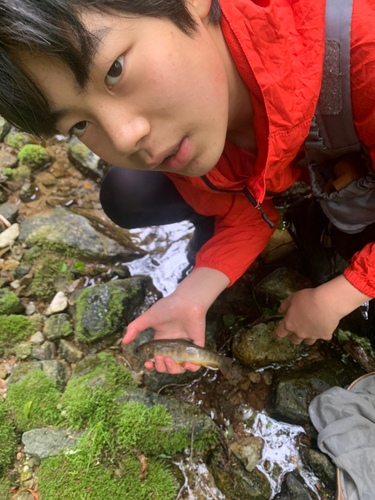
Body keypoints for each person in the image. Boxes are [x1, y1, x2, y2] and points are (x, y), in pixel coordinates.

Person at [0, 0, 374, 377]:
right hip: (311, 142)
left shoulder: (364, 47)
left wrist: (343, 293)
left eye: (115, 68)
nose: (125, 136)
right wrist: (192, 295)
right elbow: (246, 210)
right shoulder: (183, 118)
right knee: (127, 190)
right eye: (79, 124)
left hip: (344, 98)